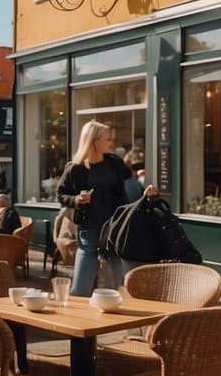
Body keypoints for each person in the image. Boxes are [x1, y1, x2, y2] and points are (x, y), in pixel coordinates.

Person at [56, 120, 158, 297]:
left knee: (119, 275)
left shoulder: (115, 163)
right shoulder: (75, 168)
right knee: (82, 284)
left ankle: (118, 309)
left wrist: (145, 193)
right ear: (94, 141)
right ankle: (77, 313)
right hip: (89, 226)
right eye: (107, 139)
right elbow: (60, 194)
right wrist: (77, 199)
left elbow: (131, 187)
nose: (111, 143)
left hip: (115, 226)